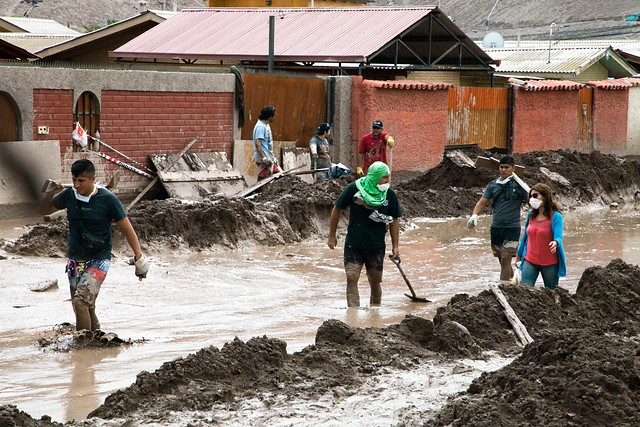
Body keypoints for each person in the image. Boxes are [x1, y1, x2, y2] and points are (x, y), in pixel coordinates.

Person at [39, 159, 149, 331]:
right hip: (75, 260)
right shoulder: (69, 195)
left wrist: (139, 257)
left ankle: (82, 346)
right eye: (74, 180)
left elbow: (128, 229)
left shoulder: (107, 199)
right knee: (83, 306)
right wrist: (51, 193)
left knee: (81, 302)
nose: (76, 184)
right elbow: (43, 211)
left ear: (92, 179)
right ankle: (95, 339)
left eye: (81, 181)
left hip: (99, 259)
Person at [328, 161, 402, 307]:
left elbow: (394, 220)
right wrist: (332, 235)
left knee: (375, 281)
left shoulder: (390, 194)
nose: (388, 181)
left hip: (376, 246)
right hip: (354, 243)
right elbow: (337, 208)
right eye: (384, 178)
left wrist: (395, 246)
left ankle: (375, 312)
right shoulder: (354, 188)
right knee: (351, 277)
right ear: (374, 177)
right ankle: (353, 313)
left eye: (388, 177)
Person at [467, 155, 528, 283]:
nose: (503, 170)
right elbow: (482, 202)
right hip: (496, 228)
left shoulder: (520, 186)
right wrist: (474, 216)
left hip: (512, 227)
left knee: (506, 258)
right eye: (501, 167)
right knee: (502, 259)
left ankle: (503, 287)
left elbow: (530, 201)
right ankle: (512, 282)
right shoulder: (493, 185)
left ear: (513, 168)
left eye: (506, 167)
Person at [515, 183, 566, 289]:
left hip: (550, 263)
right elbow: (525, 237)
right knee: (525, 291)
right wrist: (518, 256)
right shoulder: (531, 215)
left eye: (535, 196)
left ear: (545, 196)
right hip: (530, 260)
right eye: (530, 196)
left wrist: (555, 242)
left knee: (552, 292)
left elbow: (558, 236)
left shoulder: (556, 216)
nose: (532, 199)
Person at [253, 105, 281, 181]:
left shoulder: (265, 125)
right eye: (274, 116)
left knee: (274, 174)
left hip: (268, 156)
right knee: (264, 178)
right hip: (264, 157)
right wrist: (264, 159)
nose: (274, 118)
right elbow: (258, 144)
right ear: (270, 117)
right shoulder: (260, 127)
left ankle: (259, 191)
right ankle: (258, 191)